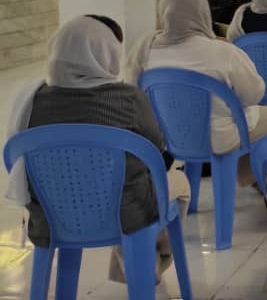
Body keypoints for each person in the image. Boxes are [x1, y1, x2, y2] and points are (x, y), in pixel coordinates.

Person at [7, 16, 192, 286]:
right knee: (178, 184)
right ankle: (149, 262)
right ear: (108, 54)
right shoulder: (129, 98)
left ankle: (139, 263)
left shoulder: (30, 101)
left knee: (118, 188)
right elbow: (156, 148)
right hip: (122, 214)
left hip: (52, 216)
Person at [128, 0, 267, 178]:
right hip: (220, 140)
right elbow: (254, 95)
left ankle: (240, 177)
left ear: (163, 10)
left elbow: (135, 94)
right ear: (203, 11)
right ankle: (255, 182)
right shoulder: (225, 52)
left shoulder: (145, 50)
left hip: (171, 137)